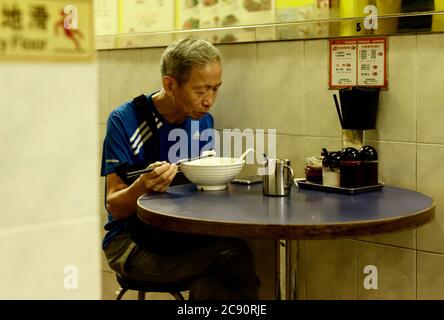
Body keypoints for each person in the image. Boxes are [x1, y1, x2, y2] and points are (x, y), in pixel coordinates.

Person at [101, 38, 260, 300]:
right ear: (170, 84)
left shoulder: (203, 122)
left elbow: (200, 190)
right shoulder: (126, 120)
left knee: (226, 261)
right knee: (229, 258)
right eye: (200, 91)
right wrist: (143, 185)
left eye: (216, 89)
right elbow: (115, 206)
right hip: (130, 243)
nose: (209, 101)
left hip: (182, 237)